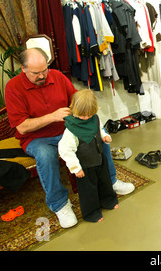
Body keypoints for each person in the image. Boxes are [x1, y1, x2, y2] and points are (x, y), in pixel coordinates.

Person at [5, 48, 134, 228]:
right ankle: (60, 204)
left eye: (44, 70)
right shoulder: (13, 87)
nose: (42, 76)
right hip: (37, 138)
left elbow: (75, 98)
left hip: (69, 129)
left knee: (99, 136)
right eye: (36, 73)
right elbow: (22, 127)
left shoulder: (57, 76)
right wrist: (52, 116)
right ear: (23, 68)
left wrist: (83, 108)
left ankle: (110, 181)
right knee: (45, 156)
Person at [58, 89, 118, 223]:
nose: (86, 118)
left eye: (89, 115)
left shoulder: (94, 118)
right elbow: (66, 150)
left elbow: (100, 128)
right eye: (82, 115)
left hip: (99, 158)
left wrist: (105, 136)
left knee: (105, 182)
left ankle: (108, 200)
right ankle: (91, 212)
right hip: (84, 166)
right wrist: (75, 168)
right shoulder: (71, 129)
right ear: (74, 110)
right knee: (88, 191)